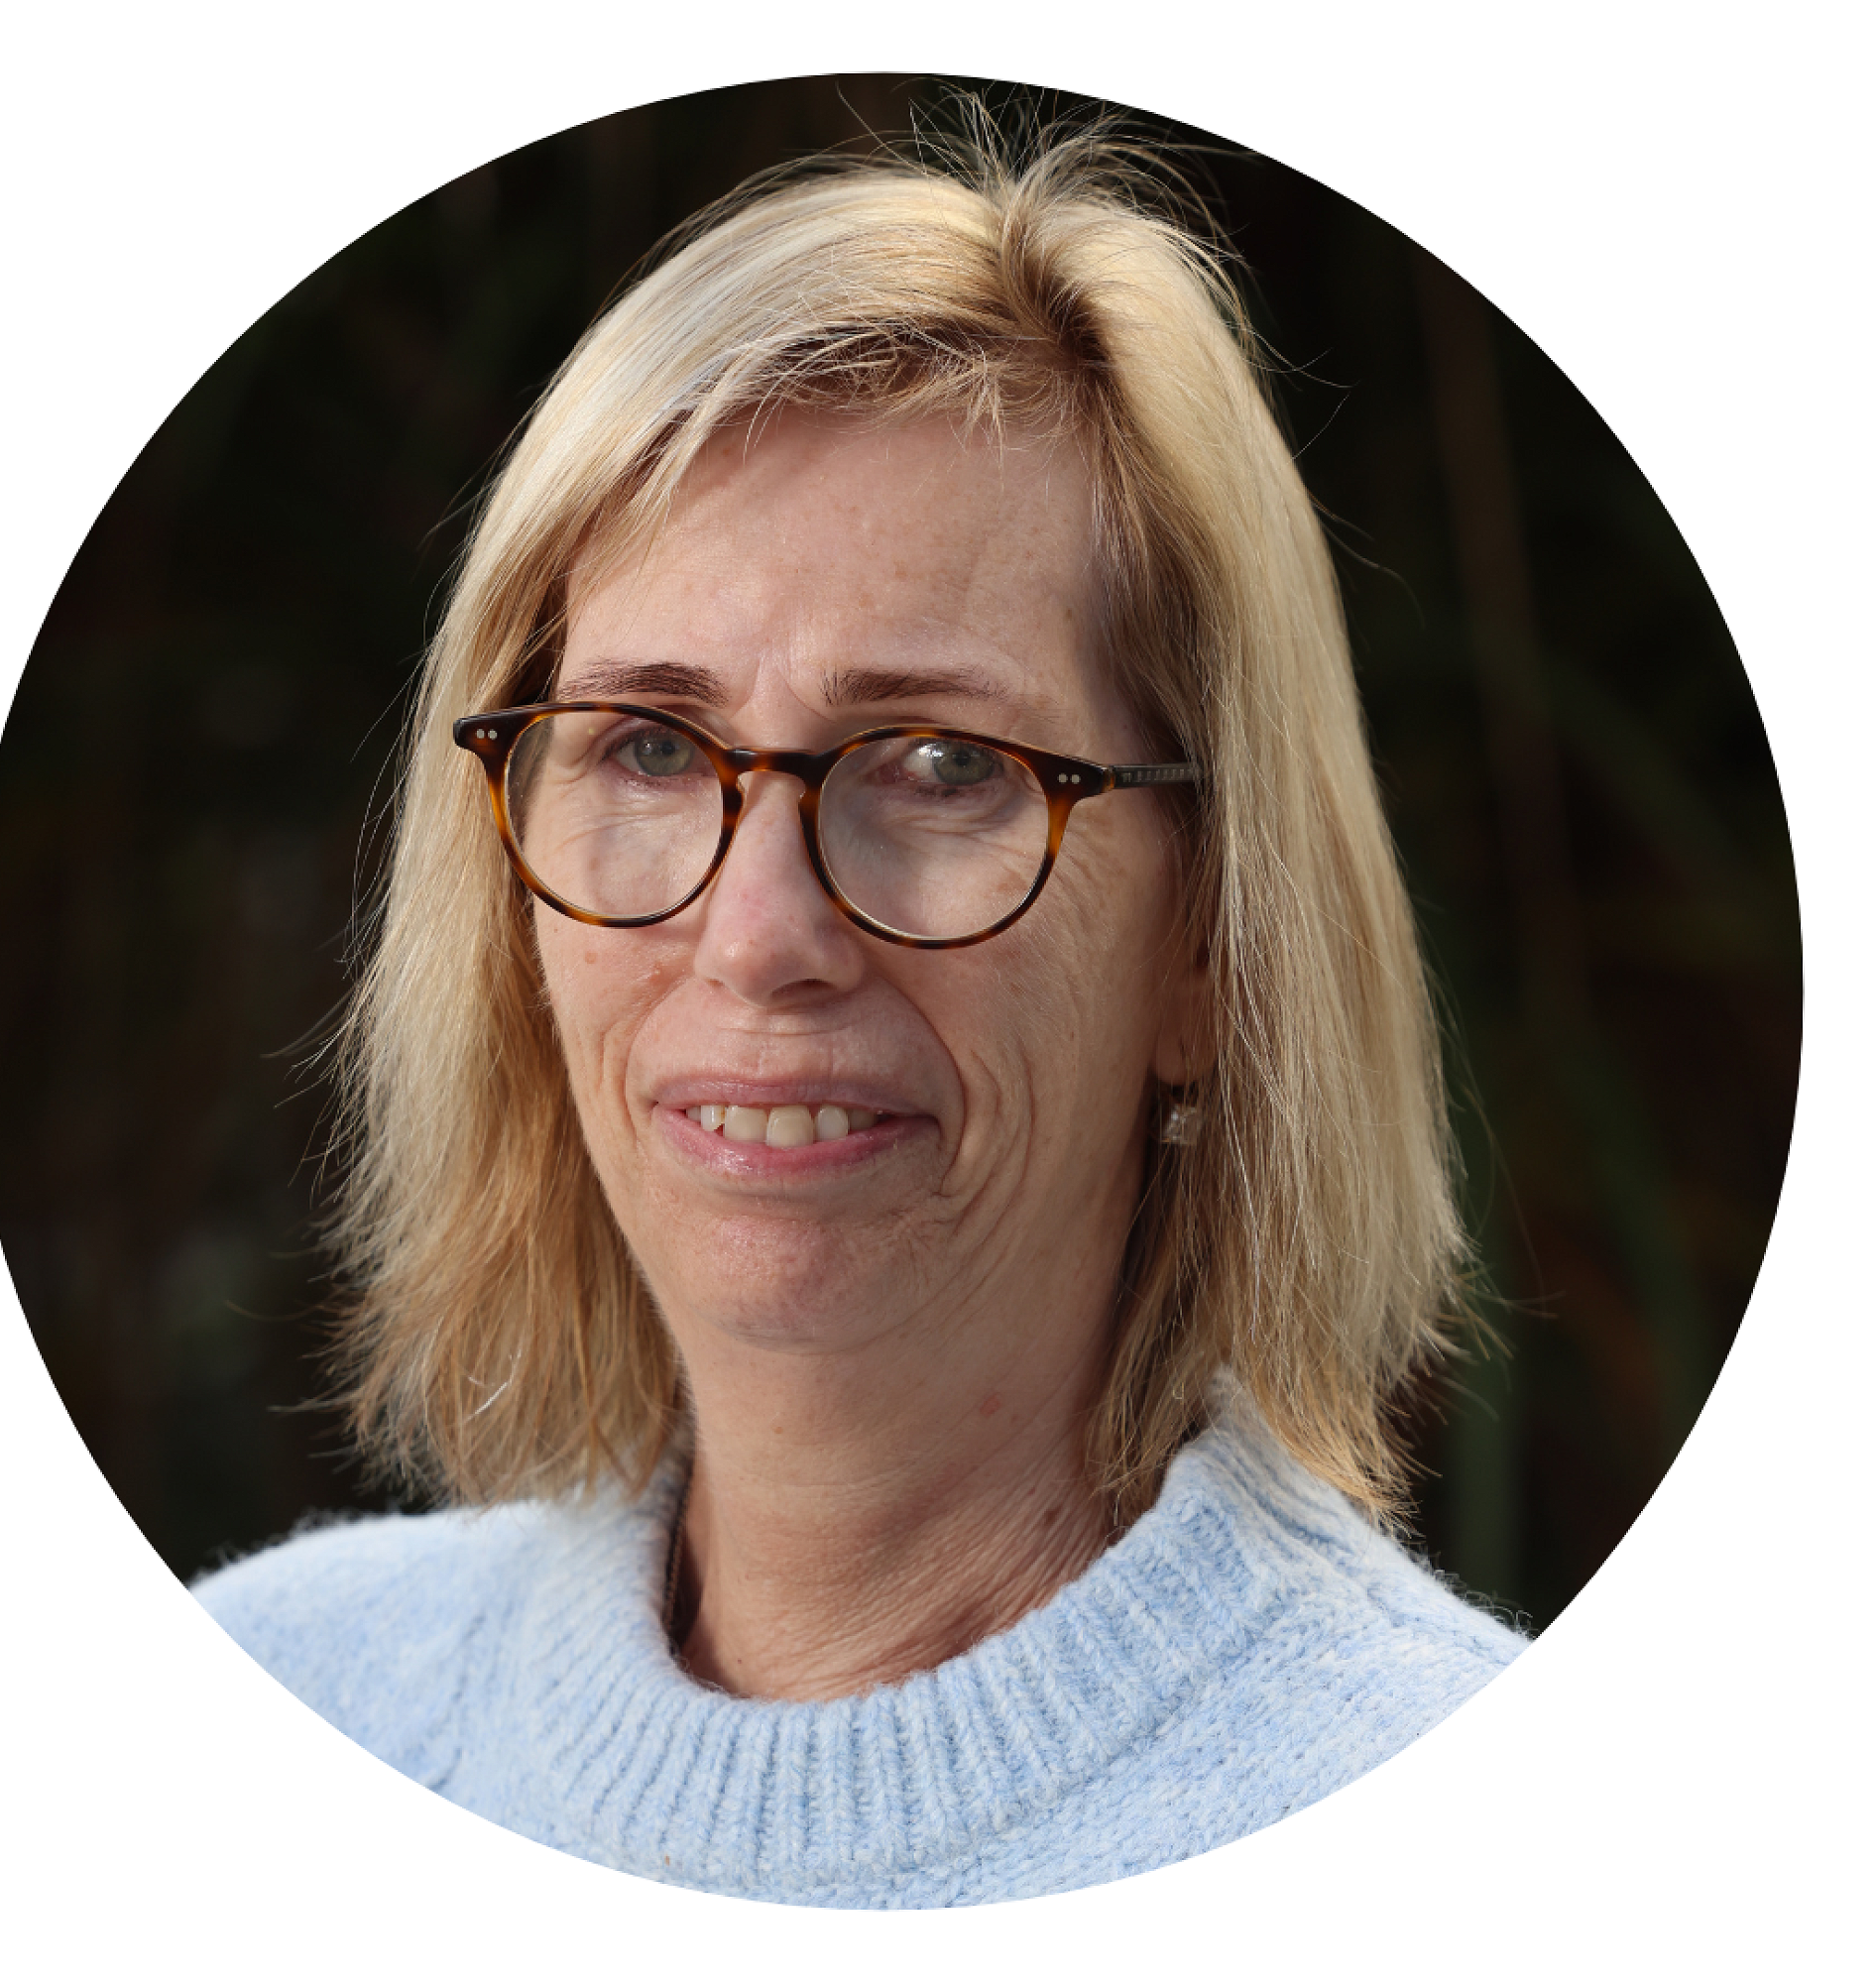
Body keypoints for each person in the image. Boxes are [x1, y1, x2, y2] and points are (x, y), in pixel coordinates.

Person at [195, 126, 1524, 1906]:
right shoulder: (269, 1719)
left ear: (1214, 943)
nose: (759, 937)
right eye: (647, 745)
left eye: (941, 764)